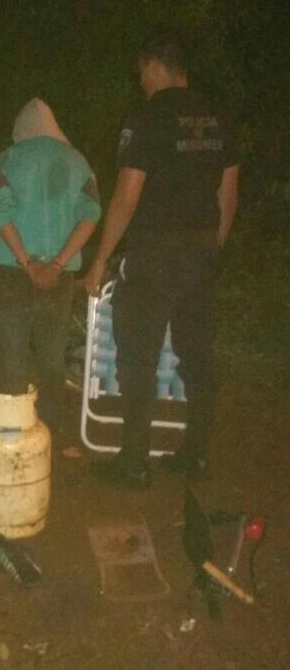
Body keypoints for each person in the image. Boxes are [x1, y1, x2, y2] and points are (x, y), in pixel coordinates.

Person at [85, 32, 239, 490]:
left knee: (138, 356)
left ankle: (134, 462)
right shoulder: (219, 116)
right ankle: (196, 453)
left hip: (156, 252)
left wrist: (100, 261)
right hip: (202, 248)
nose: (141, 81)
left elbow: (126, 196)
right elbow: (228, 193)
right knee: (197, 354)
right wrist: (211, 247)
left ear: (154, 66)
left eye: (142, 73)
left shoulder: (148, 116)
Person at [0, 98, 101, 440]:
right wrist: (58, 263)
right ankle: (50, 435)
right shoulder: (78, 162)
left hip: (13, 273)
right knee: (53, 359)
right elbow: (91, 215)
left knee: (12, 357)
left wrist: (27, 262)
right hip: (59, 278)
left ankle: (11, 435)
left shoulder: (6, 160)